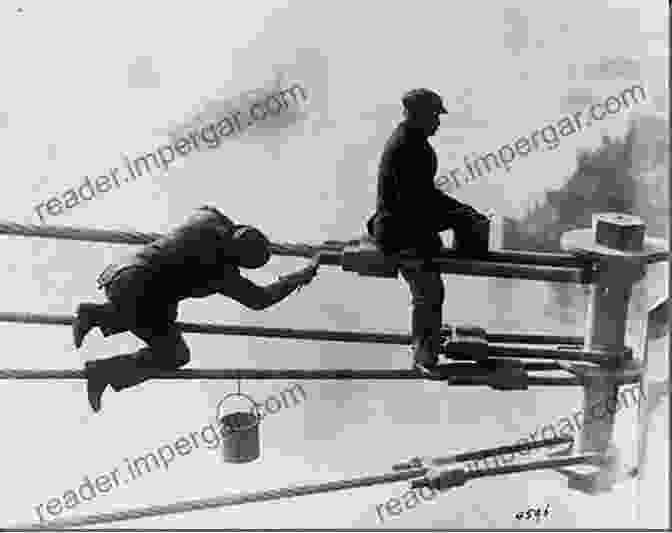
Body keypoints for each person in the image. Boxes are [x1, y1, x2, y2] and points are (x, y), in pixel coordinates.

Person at [73, 206, 320, 413]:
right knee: (175, 354)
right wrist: (299, 277)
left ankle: (97, 315)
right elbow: (261, 299)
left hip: (118, 278)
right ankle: (103, 370)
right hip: (143, 294)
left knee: (163, 312)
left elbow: (207, 207)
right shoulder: (221, 272)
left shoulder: (207, 219)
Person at [366, 88, 490, 372]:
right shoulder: (412, 147)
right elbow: (418, 202)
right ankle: (424, 353)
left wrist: (458, 212)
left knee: (463, 222)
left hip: (395, 221)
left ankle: (426, 340)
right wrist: (460, 215)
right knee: (429, 291)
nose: (438, 122)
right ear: (419, 115)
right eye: (435, 116)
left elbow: (422, 197)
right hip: (400, 230)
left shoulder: (408, 140)